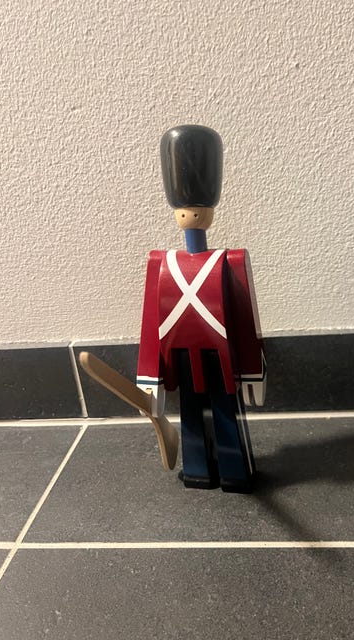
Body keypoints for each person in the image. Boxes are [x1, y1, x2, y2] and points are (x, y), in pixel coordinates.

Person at [137, 125, 266, 493]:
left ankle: (234, 471)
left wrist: (252, 371)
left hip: (220, 360)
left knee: (226, 414)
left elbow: (243, 321)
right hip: (179, 358)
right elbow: (151, 324)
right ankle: (196, 469)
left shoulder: (230, 262)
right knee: (190, 416)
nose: (191, 215)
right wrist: (149, 377)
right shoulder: (160, 264)